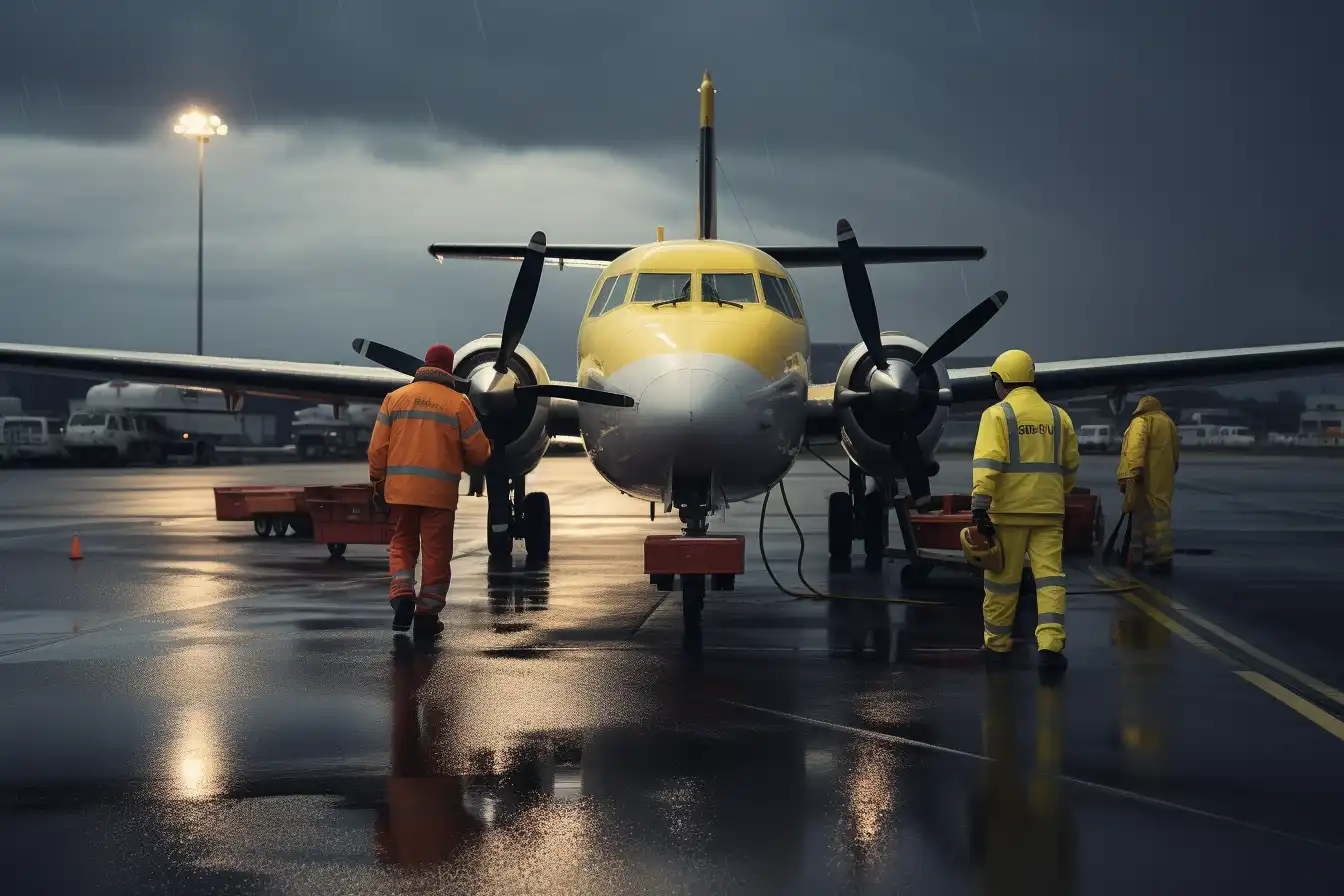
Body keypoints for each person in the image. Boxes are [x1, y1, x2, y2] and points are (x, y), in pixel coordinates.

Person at [368, 344, 492, 636]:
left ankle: (401, 594)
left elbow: (377, 449)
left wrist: (377, 482)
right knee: (436, 553)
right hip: (439, 495)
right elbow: (479, 453)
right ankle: (427, 614)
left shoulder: (394, 399)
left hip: (401, 492)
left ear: (425, 364)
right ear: (449, 369)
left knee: (402, 543)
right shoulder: (458, 403)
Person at [970, 349, 1080, 672]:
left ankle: (997, 645)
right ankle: (1050, 647)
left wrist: (980, 507)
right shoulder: (1059, 416)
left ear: (1002, 380)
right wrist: (1058, 494)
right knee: (1050, 580)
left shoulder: (997, 415)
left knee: (1002, 581)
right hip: (1048, 512)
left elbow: (987, 464)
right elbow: (1071, 465)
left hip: (1009, 514)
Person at [1116, 395, 1179, 573]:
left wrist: (1132, 473)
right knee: (1160, 517)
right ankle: (1162, 557)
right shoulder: (1169, 423)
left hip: (1143, 478)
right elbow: (1175, 454)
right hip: (1163, 478)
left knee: (1139, 517)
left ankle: (1138, 556)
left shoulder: (1141, 421)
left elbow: (1135, 449)